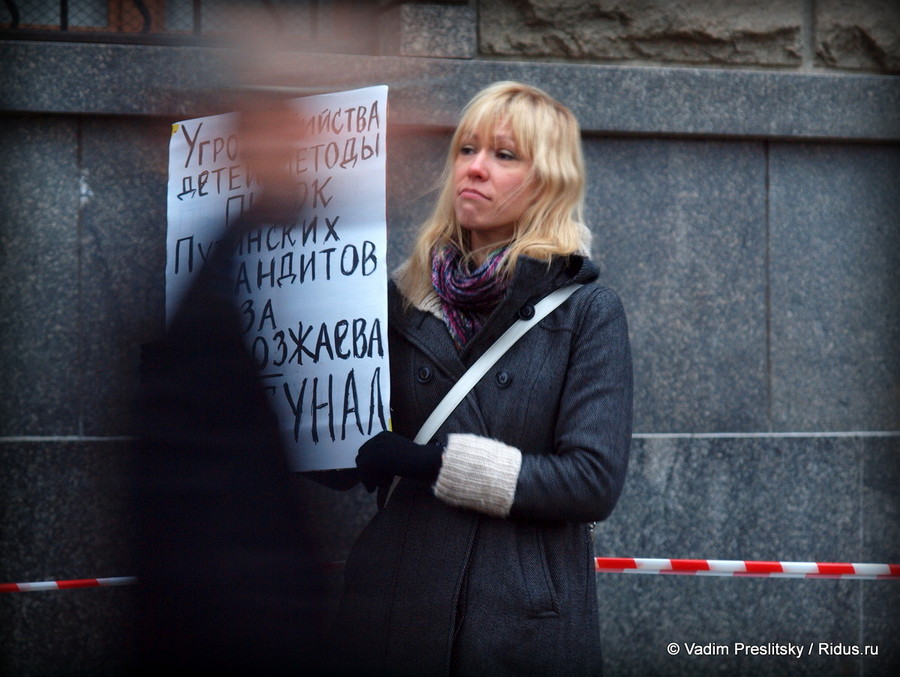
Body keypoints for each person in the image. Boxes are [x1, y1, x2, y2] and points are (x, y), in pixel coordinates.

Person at [329, 81, 633, 676]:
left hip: (519, 619)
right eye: (466, 150)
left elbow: (592, 482)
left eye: (504, 155)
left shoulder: (586, 311)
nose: (474, 168)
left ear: (547, 180)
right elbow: (344, 456)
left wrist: (435, 465)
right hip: (396, 608)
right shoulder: (397, 299)